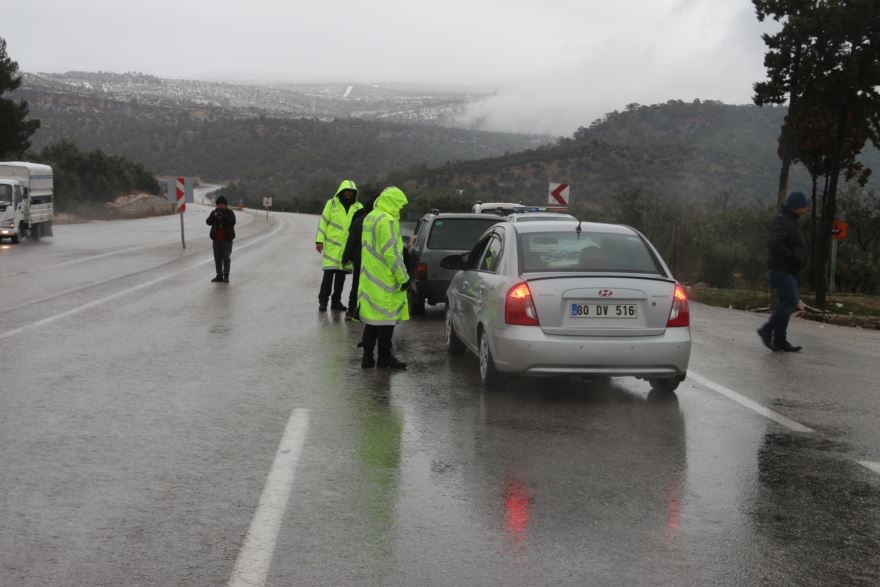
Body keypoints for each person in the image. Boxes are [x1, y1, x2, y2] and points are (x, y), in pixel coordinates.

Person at [358, 186, 410, 369]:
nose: (401, 209)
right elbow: (392, 253)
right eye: (400, 205)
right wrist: (403, 277)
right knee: (386, 322)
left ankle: (367, 357)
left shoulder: (371, 217)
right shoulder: (387, 221)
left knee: (372, 321)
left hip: (369, 277)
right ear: (393, 202)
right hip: (385, 279)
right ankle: (384, 358)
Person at [758, 191, 808, 352]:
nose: (804, 210)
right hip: (781, 269)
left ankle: (780, 340)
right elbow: (775, 244)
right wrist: (793, 257)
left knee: (785, 303)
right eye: (802, 207)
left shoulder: (793, 222)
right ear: (794, 206)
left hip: (790, 270)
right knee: (791, 302)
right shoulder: (781, 222)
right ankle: (766, 330)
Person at [315, 180, 363, 311]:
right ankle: (323, 302)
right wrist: (319, 241)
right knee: (328, 276)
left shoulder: (359, 207)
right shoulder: (331, 204)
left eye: (352, 192)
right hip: (332, 247)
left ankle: (336, 302)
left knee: (341, 277)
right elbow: (323, 222)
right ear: (342, 191)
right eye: (347, 191)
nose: (349, 193)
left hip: (348, 248)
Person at [341, 196, 374, 321]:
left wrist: (345, 259)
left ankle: (351, 310)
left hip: (359, 261)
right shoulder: (378, 222)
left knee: (356, 286)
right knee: (371, 287)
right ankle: (367, 311)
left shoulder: (357, 222)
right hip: (373, 263)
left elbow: (351, 242)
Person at [206, 195, 236, 283]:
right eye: (218, 205)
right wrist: (213, 216)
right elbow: (208, 222)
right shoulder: (214, 212)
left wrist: (223, 216)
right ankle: (219, 276)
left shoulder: (230, 213)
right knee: (217, 258)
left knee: (226, 258)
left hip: (227, 240)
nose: (220, 206)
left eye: (222, 205)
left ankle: (226, 276)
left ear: (225, 205)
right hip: (216, 240)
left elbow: (232, 222)